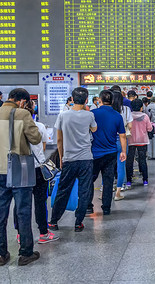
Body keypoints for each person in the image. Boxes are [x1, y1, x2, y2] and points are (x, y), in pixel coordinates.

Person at [0, 88, 42, 266]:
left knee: (0, 212)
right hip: (20, 170)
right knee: (23, 211)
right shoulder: (22, 114)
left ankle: (1, 254)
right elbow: (36, 138)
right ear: (22, 101)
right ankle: (25, 253)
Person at [49, 87, 97, 232]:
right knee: (84, 191)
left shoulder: (63, 115)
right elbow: (94, 130)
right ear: (86, 100)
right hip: (86, 159)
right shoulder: (89, 116)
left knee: (63, 190)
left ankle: (54, 221)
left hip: (69, 158)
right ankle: (78, 222)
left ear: (72, 99)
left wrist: (62, 157)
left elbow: (59, 139)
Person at [13, 100, 59, 244]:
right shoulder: (39, 126)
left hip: (21, 169)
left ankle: (21, 234)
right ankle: (44, 233)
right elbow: (43, 147)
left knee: (20, 203)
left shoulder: (14, 127)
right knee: (40, 202)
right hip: (38, 169)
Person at [87, 90, 126, 214]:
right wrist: (123, 151)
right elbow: (122, 136)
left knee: (89, 180)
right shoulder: (117, 115)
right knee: (108, 180)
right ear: (113, 101)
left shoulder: (92, 114)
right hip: (111, 152)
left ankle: (88, 206)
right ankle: (106, 208)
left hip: (94, 153)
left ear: (99, 100)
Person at [126, 99, 152, 188]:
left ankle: (129, 180)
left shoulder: (129, 116)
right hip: (142, 141)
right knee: (142, 160)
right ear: (141, 107)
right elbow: (149, 128)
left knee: (129, 161)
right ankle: (145, 180)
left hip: (130, 141)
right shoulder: (145, 116)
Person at [111, 90, 132, 198]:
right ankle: (120, 188)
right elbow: (131, 125)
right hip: (121, 139)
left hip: (109, 139)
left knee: (107, 165)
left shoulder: (108, 110)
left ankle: (104, 188)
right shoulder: (126, 109)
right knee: (121, 165)